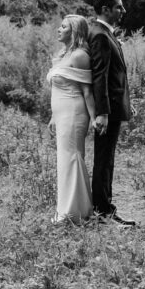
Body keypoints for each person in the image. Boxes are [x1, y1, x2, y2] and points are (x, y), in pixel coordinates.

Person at [88, 0, 136, 227]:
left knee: (107, 160)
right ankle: (102, 213)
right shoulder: (99, 36)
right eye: (118, 7)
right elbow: (100, 76)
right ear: (105, 10)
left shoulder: (106, 34)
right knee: (103, 161)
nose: (123, 11)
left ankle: (106, 209)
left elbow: (117, 76)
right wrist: (103, 113)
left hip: (115, 107)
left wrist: (128, 102)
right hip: (107, 112)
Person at [46, 14, 97, 224]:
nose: (59, 29)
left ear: (74, 31)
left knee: (72, 157)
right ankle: (75, 208)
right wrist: (53, 116)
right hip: (61, 113)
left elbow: (87, 91)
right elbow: (58, 89)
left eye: (64, 27)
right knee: (64, 159)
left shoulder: (79, 56)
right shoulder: (63, 54)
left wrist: (94, 118)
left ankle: (72, 212)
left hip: (74, 113)